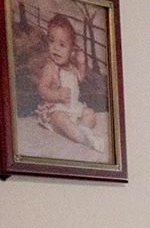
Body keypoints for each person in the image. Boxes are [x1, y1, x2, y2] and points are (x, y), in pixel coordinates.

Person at [33, 15, 108, 155]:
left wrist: (81, 64)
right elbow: (42, 88)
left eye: (62, 45)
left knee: (91, 114)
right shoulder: (51, 67)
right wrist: (57, 95)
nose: (55, 48)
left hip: (73, 108)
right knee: (62, 119)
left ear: (71, 50)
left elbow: (80, 78)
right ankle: (83, 138)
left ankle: (81, 129)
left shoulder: (71, 67)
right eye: (51, 41)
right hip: (55, 110)